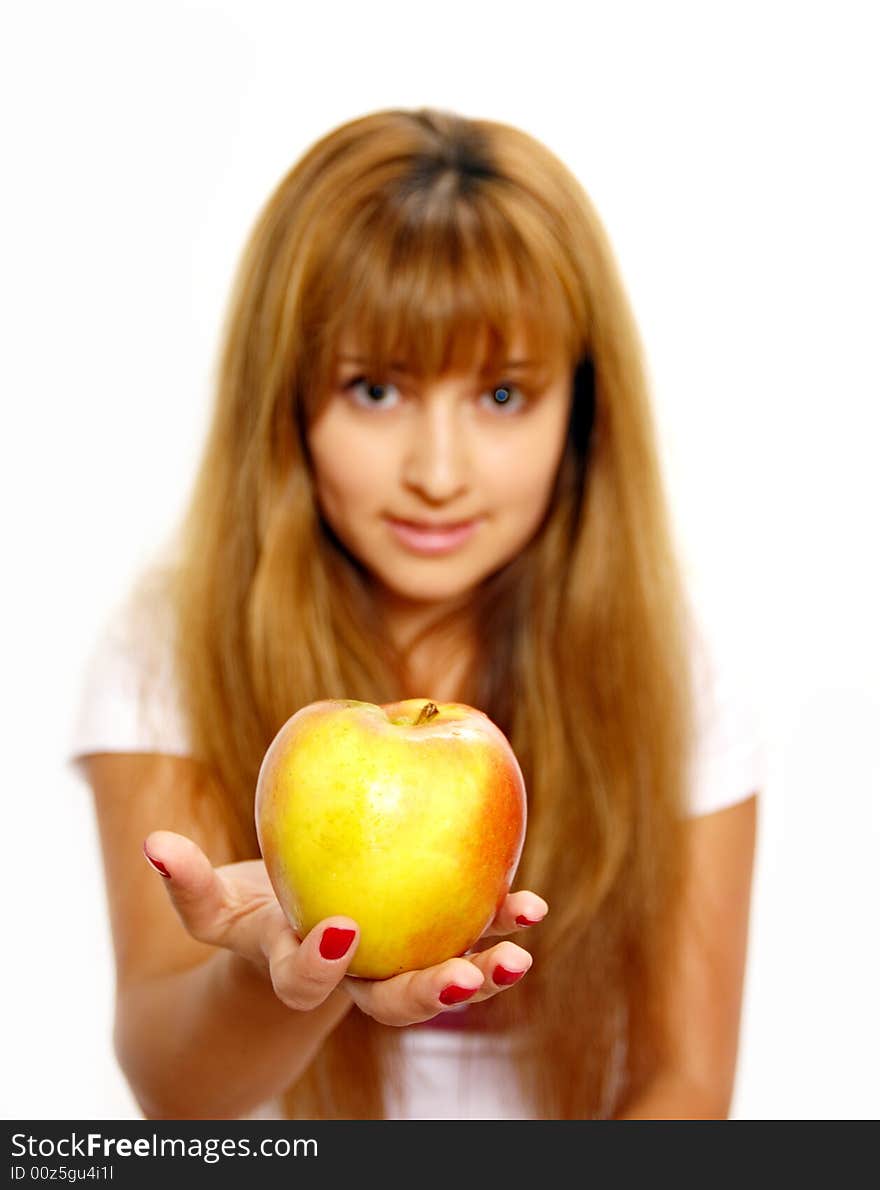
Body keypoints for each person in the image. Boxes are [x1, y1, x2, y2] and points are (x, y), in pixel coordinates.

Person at [67, 106, 766, 1120]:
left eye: (500, 396)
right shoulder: (166, 649)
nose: (438, 474)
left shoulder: (670, 660)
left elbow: (684, 1083)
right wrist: (277, 971)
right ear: (288, 399)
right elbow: (177, 1095)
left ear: (582, 405)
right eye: (377, 388)